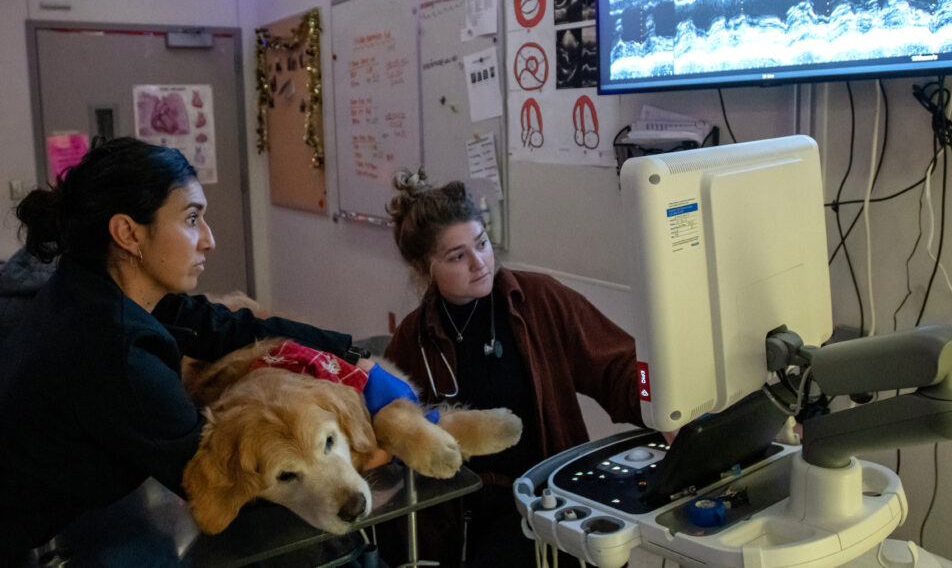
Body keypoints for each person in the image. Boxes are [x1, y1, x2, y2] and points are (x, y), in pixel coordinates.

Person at [0, 137, 412, 565]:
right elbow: (219, 484)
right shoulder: (115, 353)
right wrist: (369, 447)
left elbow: (224, 326)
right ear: (128, 233)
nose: (209, 240)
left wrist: (349, 355)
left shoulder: (96, 285)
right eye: (192, 218)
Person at [382, 167, 645, 567]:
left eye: (482, 243)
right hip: (467, 516)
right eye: (458, 256)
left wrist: (664, 404)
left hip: (550, 502)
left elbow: (618, 366)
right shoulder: (412, 340)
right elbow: (398, 438)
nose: (480, 262)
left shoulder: (539, 301)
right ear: (425, 268)